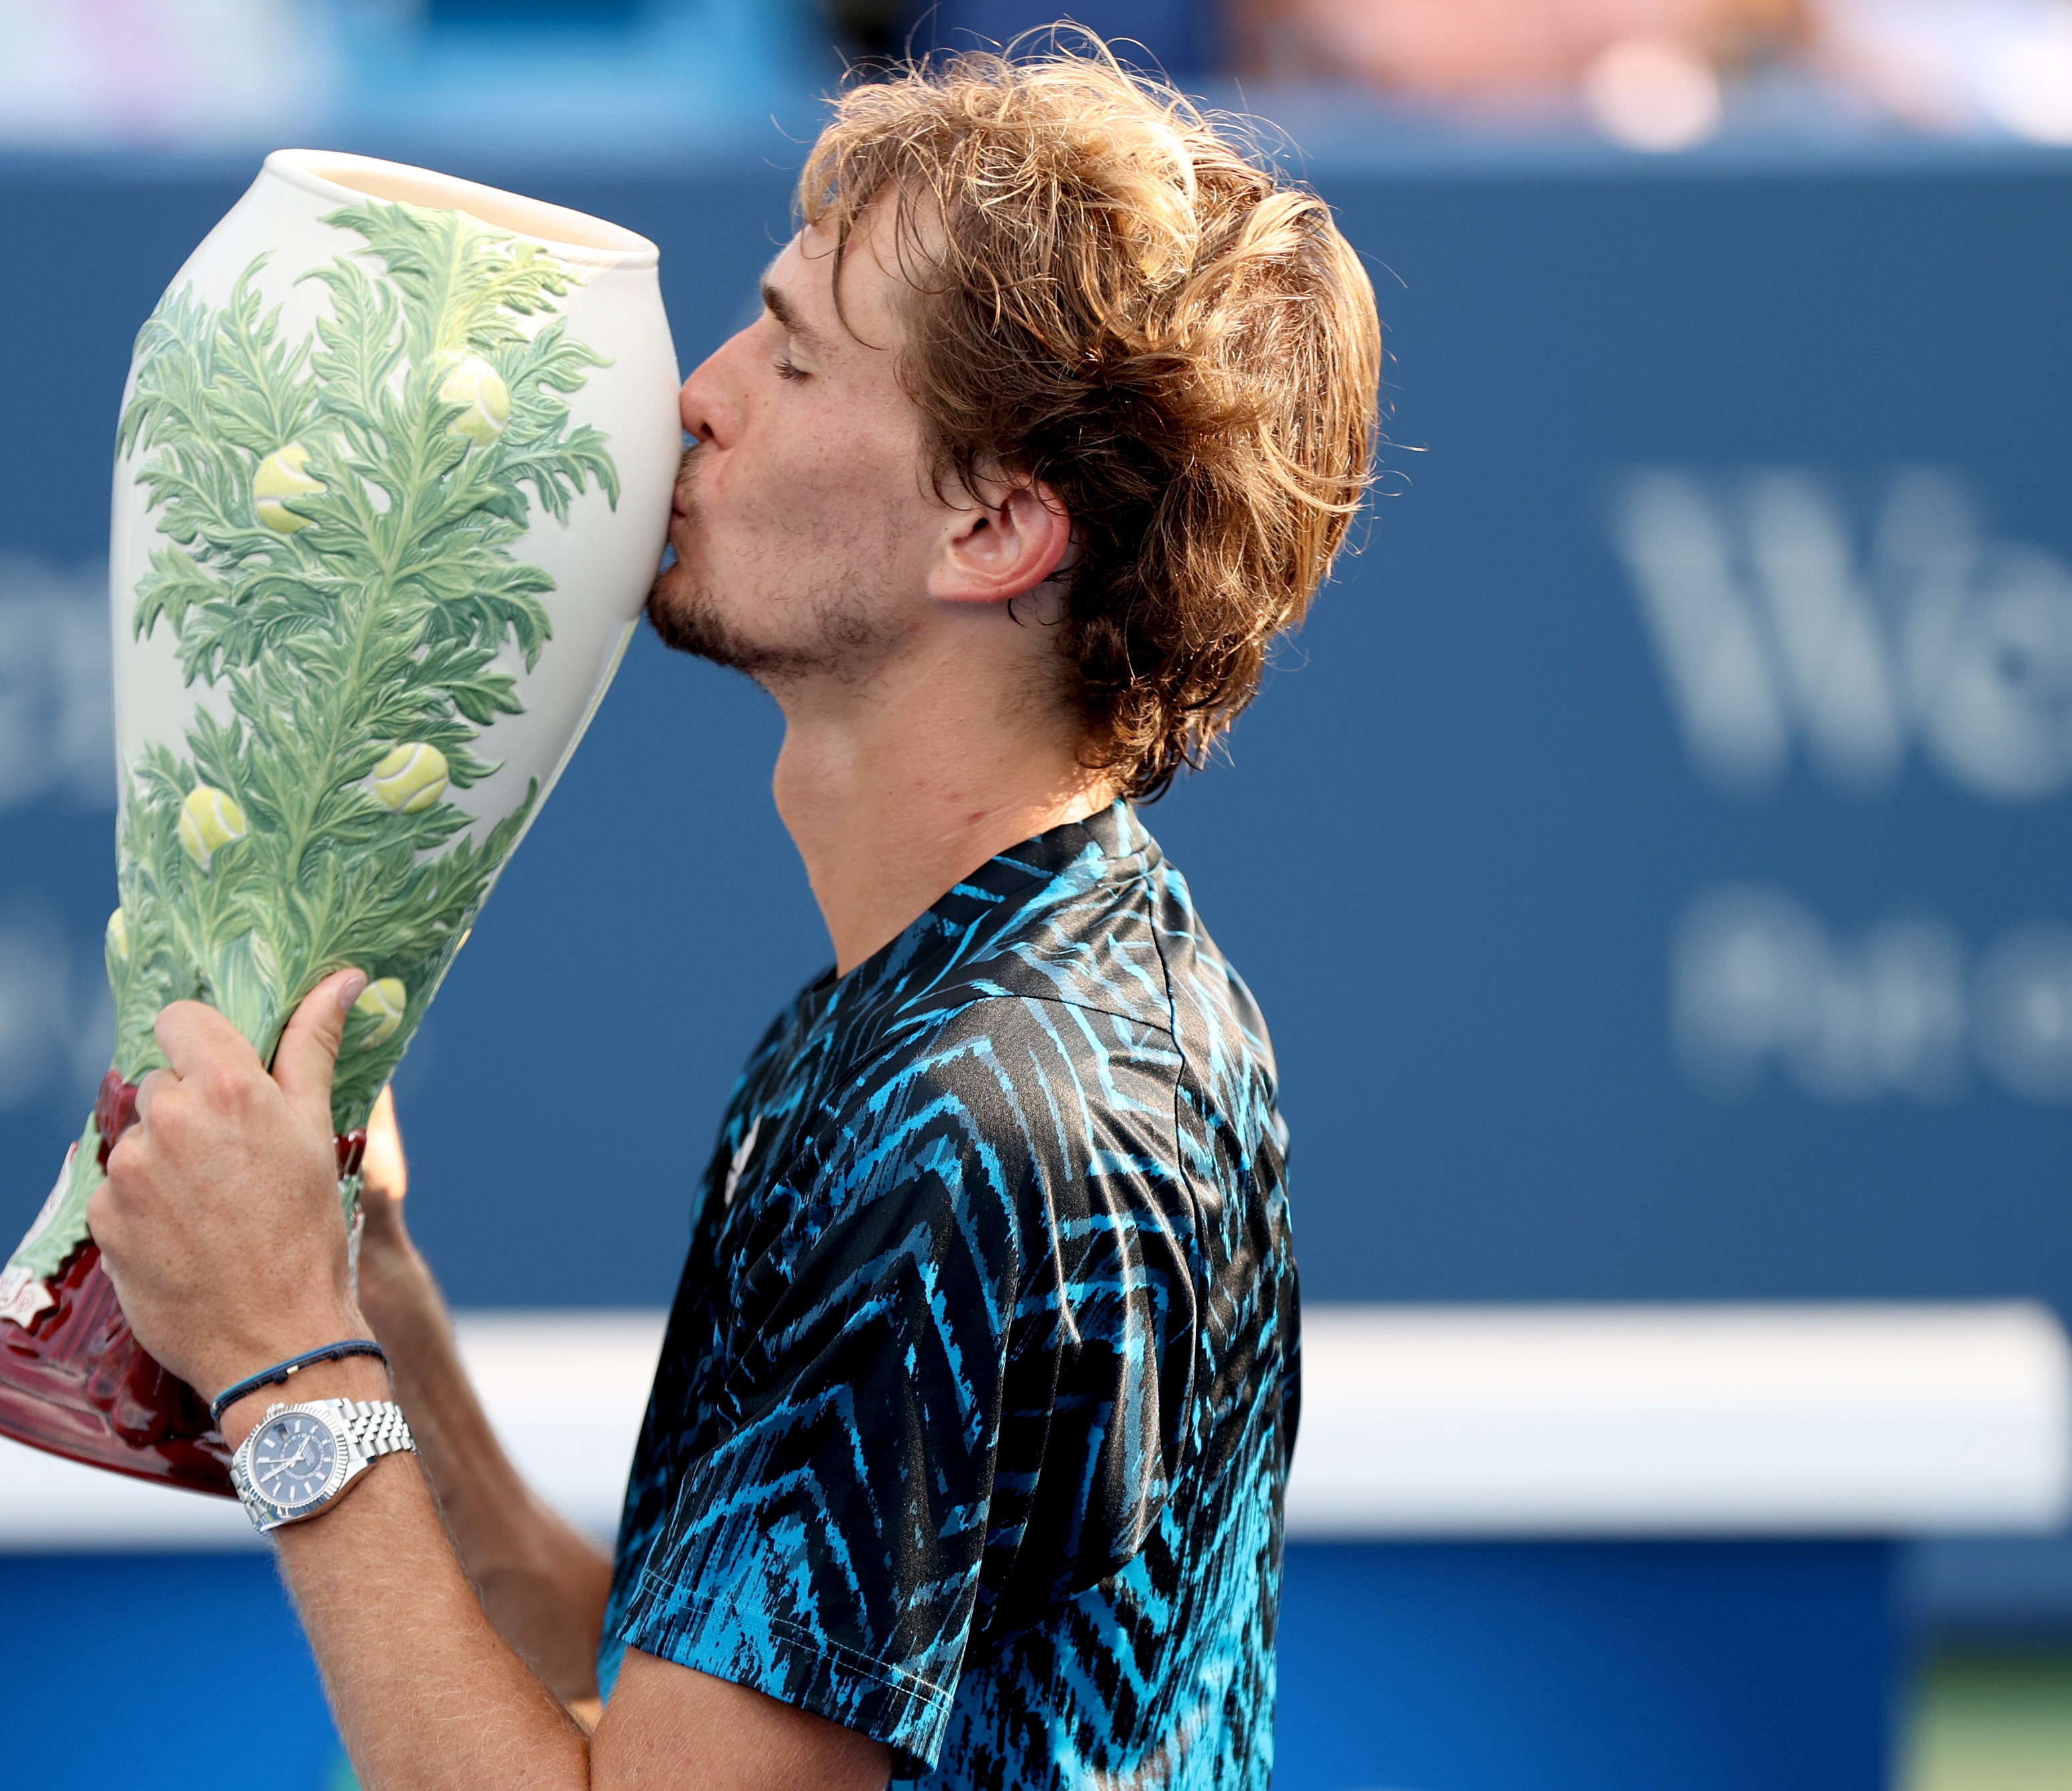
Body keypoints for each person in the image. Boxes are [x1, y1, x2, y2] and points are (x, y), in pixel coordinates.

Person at [89, 40, 1379, 1791]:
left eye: (790, 353)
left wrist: (275, 1358)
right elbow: (696, 1700)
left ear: (993, 526)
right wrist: (358, 1293)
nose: (697, 394)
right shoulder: (1010, 986)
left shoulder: (975, 1132)